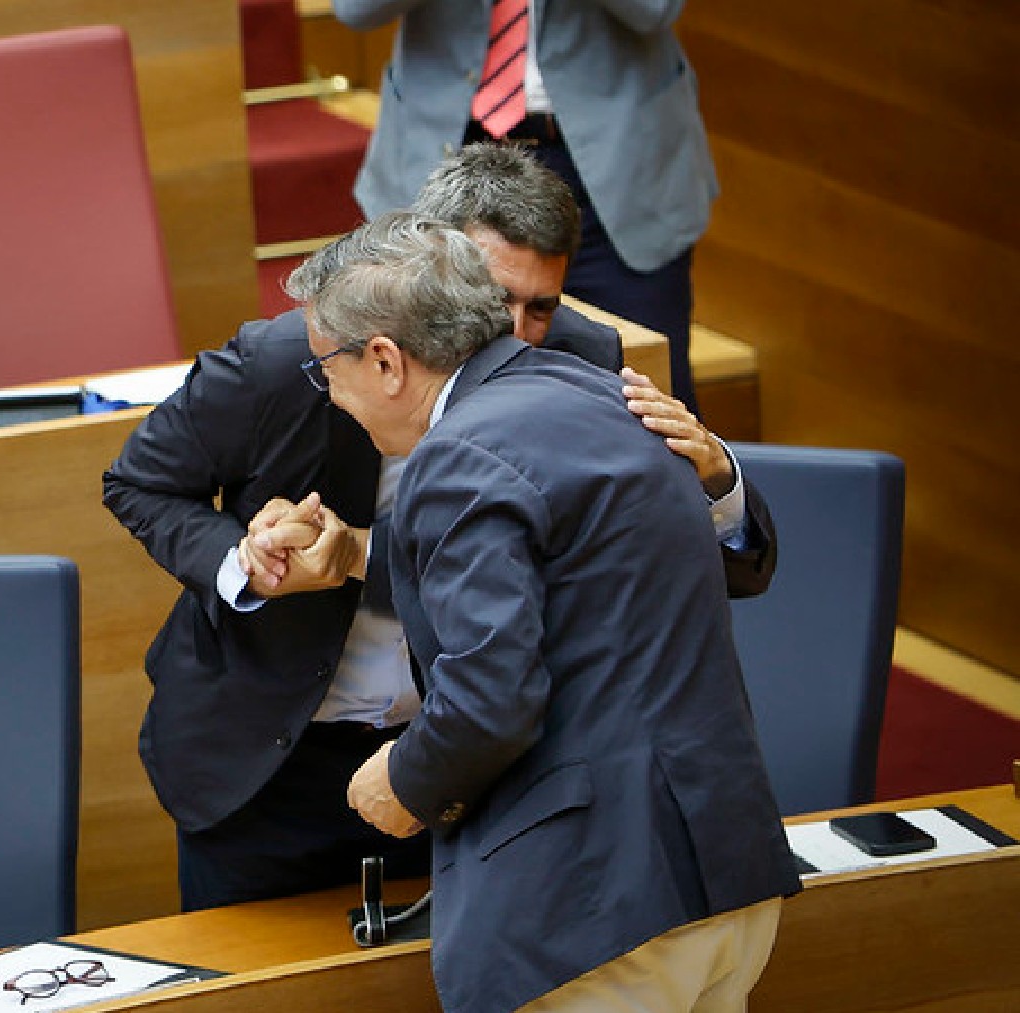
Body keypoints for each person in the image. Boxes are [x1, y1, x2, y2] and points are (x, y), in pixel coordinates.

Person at [101, 143, 772, 912]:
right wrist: (244, 564)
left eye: (542, 307)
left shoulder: (583, 363)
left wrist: (716, 481)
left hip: (471, 766)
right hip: (267, 767)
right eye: (494, 299)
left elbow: (689, 567)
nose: (516, 336)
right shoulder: (295, 357)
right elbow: (139, 481)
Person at [283, 211, 799, 1012]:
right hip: (723, 874)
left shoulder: (454, 455)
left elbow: (491, 699)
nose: (332, 393)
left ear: (385, 359)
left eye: (327, 366)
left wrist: (406, 780)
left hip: (595, 910)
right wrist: (352, 551)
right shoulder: (603, 393)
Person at [333, 0, 713, 412]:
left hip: (618, 169)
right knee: (429, 397)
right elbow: (356, 10)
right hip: (444, 158)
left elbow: (655, 9)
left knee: (645, 399)